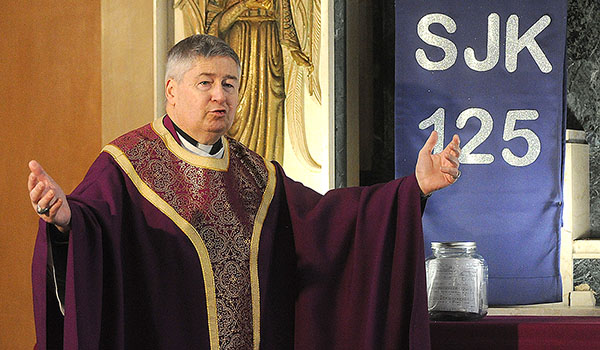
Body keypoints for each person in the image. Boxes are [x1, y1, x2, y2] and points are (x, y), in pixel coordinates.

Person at [28, 34, 460, 350]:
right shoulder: (126, 163)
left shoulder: (257, 174)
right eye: (206, 83)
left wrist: (414, 188)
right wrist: (67, 220)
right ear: (171, 91)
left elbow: (329, 223)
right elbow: (92, 223)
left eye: (230, 84)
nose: (221, 95)